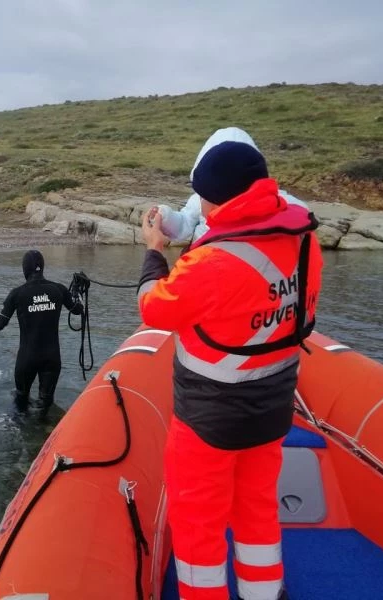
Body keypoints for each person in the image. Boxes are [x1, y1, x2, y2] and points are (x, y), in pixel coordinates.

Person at [138, 141, 323, 600]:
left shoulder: (212, 260)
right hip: (273, 410)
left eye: (201, 195)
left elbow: (154, 308)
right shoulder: (304, 240)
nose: (198, 203)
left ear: (218, 197)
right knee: (257, 509)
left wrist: (154, 252)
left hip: (209, 420)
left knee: (197, 525)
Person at [156, 127, 308, 245]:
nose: (204, 200)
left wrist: (154, 251)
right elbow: (184, 224)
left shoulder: (273, 202)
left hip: (223, 265)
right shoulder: (201, 197)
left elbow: (294, 210)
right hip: (207, 259)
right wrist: (165, 217)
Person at [0, 250, 83, 420]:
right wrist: (77, 292)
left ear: (25, 269)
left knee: (20, 402)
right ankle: (45, 435)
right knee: (45, 404)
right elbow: (77, 310)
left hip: (27, 359)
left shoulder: (17, 293)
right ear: (42, 267)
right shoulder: (58, 289)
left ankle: (22, 437)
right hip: (52, 358)